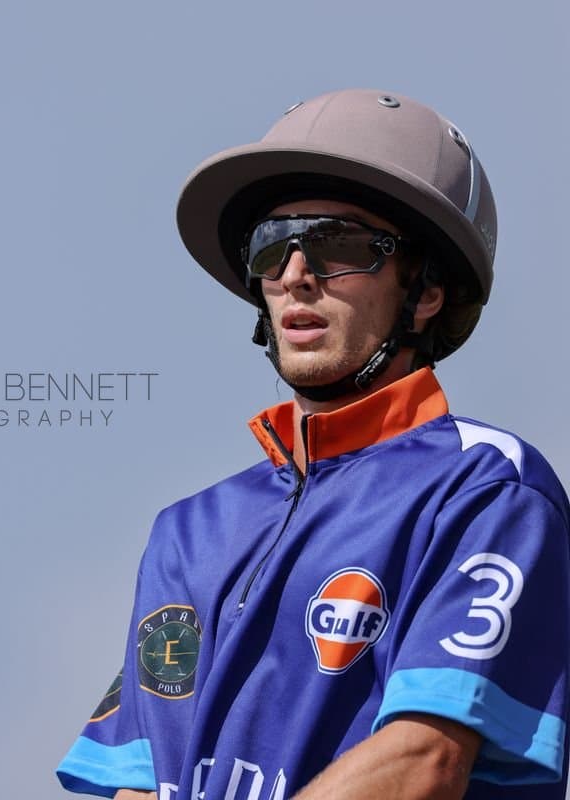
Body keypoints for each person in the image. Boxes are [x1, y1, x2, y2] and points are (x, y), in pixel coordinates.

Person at [55, 89, 570, 800]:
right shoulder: (186, 532)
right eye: (273, 246)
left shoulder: (488, 490)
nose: (296, 274)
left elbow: (424, 761)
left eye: (339, 245)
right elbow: (137, 787)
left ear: (426, 292)